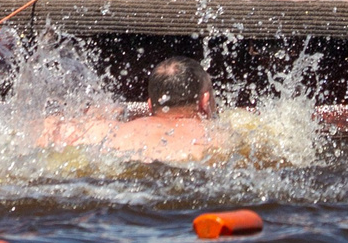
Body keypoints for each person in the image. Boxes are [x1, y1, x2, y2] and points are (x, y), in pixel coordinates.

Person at [36, 56, 224, 163]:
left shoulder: (110, 131)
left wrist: (97, 113)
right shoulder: (217, 139)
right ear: (204, 101)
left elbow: (47, 127)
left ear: (150, 105)